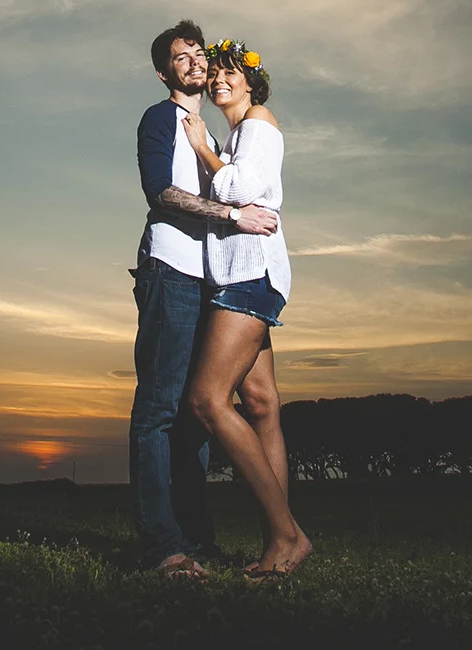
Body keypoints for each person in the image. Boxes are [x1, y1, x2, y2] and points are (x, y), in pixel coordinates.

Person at [131, 20, 279, 578]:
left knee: (196, 416)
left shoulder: (214, 137)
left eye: (199, 53)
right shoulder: (161, 117)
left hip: (207, 283)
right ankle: (163, 547)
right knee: (159, 411)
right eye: (181, 56)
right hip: (170, 270)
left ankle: (197, 541)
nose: (194, 62)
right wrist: (230, 214)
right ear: (164, 70)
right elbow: (161, 192)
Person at [181, 37, 311, 576]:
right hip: (250, 276)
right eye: (215, 74)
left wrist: (201, 149)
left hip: (248, 278)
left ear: (251, 82)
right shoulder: (238, 133)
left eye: (230, 72)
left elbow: (242, 188)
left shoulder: (257, 121)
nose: (218, 80)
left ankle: (288, 536)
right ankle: (276, 546)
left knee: (208, 401)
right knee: (259, 404)